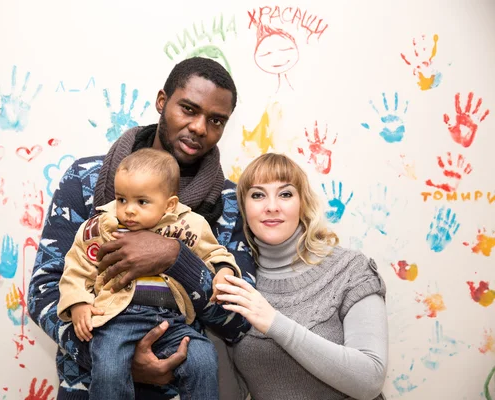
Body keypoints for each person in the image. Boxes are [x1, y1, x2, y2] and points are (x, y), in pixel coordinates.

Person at [27, 57, 256, 400]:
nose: (199, 127)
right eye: (188, 109)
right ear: (162, 102)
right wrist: (113, 359)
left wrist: (175, 257)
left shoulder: (226, 200)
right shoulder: (86, 179)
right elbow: (44, 289)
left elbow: (238, 320)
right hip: (88, 385)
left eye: (216, 120)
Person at [58, 148, 241, 399]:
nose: (129, 210)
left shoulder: (190, 225)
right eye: (122, 199)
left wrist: (223, 271)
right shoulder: (102, 227)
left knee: (203, 358)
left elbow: (214, 253)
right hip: (116, 320)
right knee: (110, 368)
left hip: (172, 322)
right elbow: (77, 268)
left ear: (170, 204)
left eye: (141, 202)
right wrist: (78, 302)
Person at [215, 153, 388, 400]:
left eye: (285, 194)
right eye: (257, 195)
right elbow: (233, 392)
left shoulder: (350, 269)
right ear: (243, 209)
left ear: (302, 203)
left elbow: (370, 380)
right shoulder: (235, 282)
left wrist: (274, 322)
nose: (272, 206)